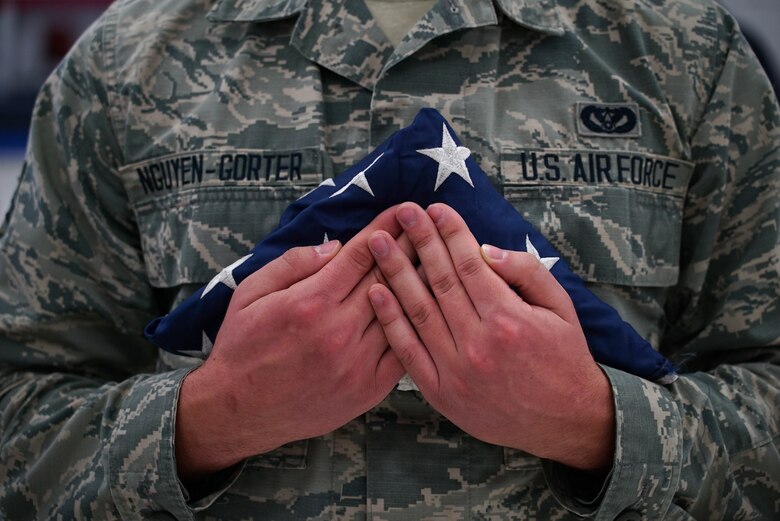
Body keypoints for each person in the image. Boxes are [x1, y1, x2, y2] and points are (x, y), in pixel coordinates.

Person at [0, 0, 778, 520]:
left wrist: (596, 423)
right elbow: (19, 423)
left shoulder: (682, 53)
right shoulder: (125, 65)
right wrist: (213, 418)